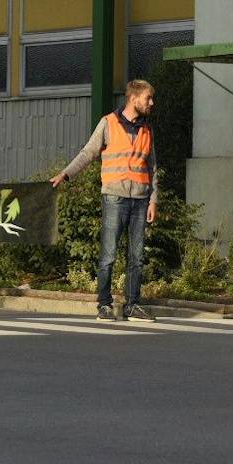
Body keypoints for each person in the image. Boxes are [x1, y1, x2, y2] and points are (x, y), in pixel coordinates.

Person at [51, 79, 159, 322]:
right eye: (147, 98)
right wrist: (65, 174)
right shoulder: (108, 123)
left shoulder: (147, 128)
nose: (151, 103)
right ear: (133, 99)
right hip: (114, 198)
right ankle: (104, 304)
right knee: (108, 254)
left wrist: (153, 200)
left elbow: (152, 167)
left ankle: (132, 305)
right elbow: (88, 153)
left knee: (137, 256)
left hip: (140, 199)